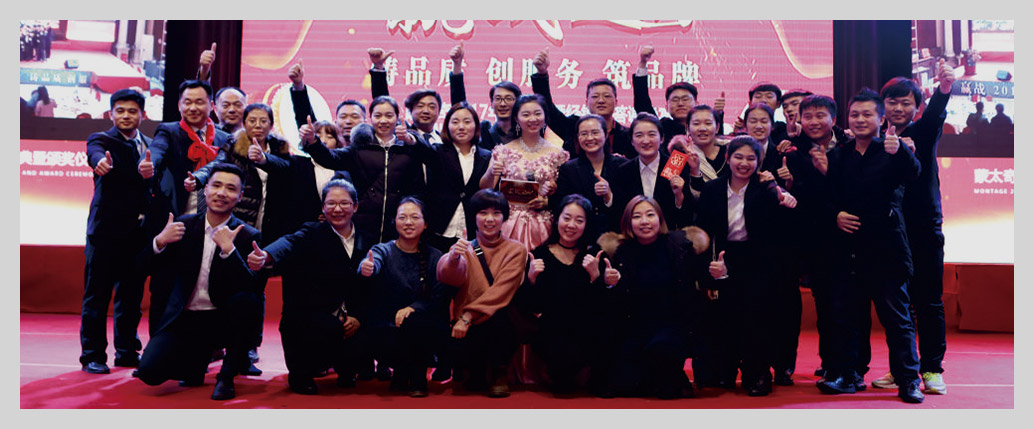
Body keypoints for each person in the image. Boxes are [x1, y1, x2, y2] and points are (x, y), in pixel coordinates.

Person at [816, 89, 925, 404]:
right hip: (847, 249)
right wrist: (835, 215)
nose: (860, 120)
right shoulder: (838, 156)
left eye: (867, 114)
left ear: (881, 118)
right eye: (855, 114)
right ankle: (848, 375)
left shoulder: (892, 149)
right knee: (846, 317)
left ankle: (908, 379)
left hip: (885, 248)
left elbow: (914, 173)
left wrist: (901, 151)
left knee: (897, 319)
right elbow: (825, 198)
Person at [136, 163, 265, 401]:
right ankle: (196, 360)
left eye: (230, 189)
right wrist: (160, 241)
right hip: (185, 318)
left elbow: (254, 288)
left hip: (223, 320)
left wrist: (229, 251)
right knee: (149, 372)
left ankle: (226, 376)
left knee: (247, 301)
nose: (221, 193)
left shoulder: (247, 234)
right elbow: (140, 269)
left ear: (240, 196)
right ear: (205, 190)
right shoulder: (183, 225)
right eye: (216, 186)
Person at [869, 60, 955, 395]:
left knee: (928, 301)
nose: (899, 108)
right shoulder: (874, 139)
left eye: (906, 102)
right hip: (890, 231)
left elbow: (934, 116)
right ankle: (902, 368)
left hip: (923, 228)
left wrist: (944, 90)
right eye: (892, 101)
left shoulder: (923, 131)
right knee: (897, 305)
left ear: (916, 107)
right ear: (882, 105)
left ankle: (932, 369)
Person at [247, 179, 374, 394]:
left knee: (371, 327)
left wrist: (358, 317)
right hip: (314, 315)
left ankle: (346, 368)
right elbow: (289, 242)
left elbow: (368, 289)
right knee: (321, 328)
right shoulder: (311, 232)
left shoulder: (367, 238)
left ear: (355, 206)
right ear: (323, 207)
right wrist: (266, 255)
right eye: (331, 203)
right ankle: (302, 373)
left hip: (350, 313)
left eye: (344, 203)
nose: (337, 209)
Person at [695, 136, 799, 397]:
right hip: (724, 256)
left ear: (758, 162)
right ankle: (727, 371)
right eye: (738, 157)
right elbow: (703, 230)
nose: (744, 163)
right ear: (727, 158)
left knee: (757, 318)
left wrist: (786, 199)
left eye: (751, 158)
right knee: (726, 316)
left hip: (759, 260)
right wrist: (708, 267)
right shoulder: (713, 189)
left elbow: (780, 229)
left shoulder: (766, 189)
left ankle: (758, 373)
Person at [594, 196, 709, 399]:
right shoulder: (621, 251)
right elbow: (615, 303)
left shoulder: (679, 246)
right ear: (628, 222)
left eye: (650, 215)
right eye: (637, 216)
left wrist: (719, 274)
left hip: (672, 325)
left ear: (660, 218)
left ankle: (669, 376)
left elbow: (701, 281)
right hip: (635, 326)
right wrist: (610, 283)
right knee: (619, 385)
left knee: (663, 363)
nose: (644, 221)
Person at [142, 79, 233, 334]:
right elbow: (157, 151)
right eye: (187, 102)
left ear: (211, 106)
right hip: (176, 223)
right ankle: (159, 344)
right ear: (179, 105)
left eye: (199, 102)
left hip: (212, 225)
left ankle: (209, 346)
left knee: (210, 286)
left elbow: (221, 164)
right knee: (164, 285)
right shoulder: (169, 131)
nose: (193, 107)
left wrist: (201, 178)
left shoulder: (224, 138)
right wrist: (147, 165)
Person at [80, 89, 152, 374]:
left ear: (142, 115)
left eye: (132, 111)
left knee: (131, 297)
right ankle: (93, 355)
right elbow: (95, 155)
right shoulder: (101, 140)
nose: (125, 116)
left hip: (138, 233)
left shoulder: (149, 145)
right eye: (120, 111)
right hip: (105, 233)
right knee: (97, 296)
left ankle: (126, 351)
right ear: (111, 114)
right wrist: (99, 162)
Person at [437, 189, 529, 398]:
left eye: (496, 213)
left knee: (500, 317)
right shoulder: (464, 247)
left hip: (494, 321)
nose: (490, 219)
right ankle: (474, 369)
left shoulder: (516, 250)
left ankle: (499, 373)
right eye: (483, 213)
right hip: (466, 326)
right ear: (474, 216)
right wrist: (453, 258)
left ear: (504, 217)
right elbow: (446, 277)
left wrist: (468, 316)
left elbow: (500, 292)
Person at [519, 194, 615, 395]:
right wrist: (532, 278)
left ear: (586, 224)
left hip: (586, 329)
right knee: (563, 384)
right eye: (567, 218)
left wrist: (596, 277)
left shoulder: (594, 255)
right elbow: (529, 306)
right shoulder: (539, 255)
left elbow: (603, 306)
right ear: (557, 219)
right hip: (553, 330)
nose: (571, 225)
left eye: (579, 220)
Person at [360, 197, 454, 397]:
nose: (408, 222)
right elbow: (371, 263)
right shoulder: (383, 250)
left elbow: (438, 298)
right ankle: (401, 371)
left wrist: (413, 308)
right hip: (387, 327)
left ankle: (418, 378)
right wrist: (367, 268)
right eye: (402, 217)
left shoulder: (435, 256)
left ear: (425, 223)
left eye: (415, 217)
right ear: (394, 221)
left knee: (416, 321)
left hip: (424, 329)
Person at [303, 95, 428, 243]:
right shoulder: (359, 147)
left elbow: (419, 186)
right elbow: (329, 158)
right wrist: (312, 141)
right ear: (370, 119)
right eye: (378, 115)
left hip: (398, 227)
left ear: (397, 118)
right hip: (361, 227)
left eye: (389, 116)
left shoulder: (409, 148)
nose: (383, 121)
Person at [480, 94, 569, 250]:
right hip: (509, 224)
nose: (532, 119)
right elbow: (485, 188)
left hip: (544, 224)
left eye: (537, 113)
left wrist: (549, 197)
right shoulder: (503, 151)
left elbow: (565, 193)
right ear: (516, 118)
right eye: (526, 114)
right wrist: (492, 172)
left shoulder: (558, 154)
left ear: (545, 116)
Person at [530, 47, 636, 158]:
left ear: (616, 102)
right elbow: (548, 109)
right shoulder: (573, 127)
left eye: (607, 96)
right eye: (595, 96)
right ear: (586, 102)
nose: (601, 100)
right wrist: (541, 74)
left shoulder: (627, 135)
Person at [421, 102, 492, 252]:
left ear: (476, 126)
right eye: (455, 122)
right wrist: (409, 138)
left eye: (467, 122)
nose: (461, 127)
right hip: (439, 228)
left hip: (473, 229)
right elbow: (419, 148)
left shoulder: (487, 156)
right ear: (447, 126)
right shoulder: (437, 151)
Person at [611, 112, 694, 232]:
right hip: (634, 236)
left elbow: (687, 216)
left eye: (651, 134)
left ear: (662, 138)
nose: (646, 141)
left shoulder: (675, 165)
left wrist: (679, 197)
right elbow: (618, 213)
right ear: (632, 141)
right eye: (639, 135)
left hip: (668, 236)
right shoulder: (623, 171)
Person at [552, 114, 629, 242]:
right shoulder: (568, 169)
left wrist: (609, 196)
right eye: (584, 134)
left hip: (616, 237)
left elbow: (629, 205)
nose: (589, 138)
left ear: (606, 134)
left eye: (595, 133)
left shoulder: (623, 166)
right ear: (578, 137)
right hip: (580, 239)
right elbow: (560, 204)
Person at [633, 45, 726, 147]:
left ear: (697, 104)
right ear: (666, 107)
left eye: (685, 99)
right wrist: (643, 63)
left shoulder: (706, 129)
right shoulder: (663, 127)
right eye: (675, 100)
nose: (680, 103)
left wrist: (718, 114)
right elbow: (642, 104)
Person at [445, 42, 521, 149]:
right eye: (498, 99)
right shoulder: (484, 133)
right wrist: (457, 65)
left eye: (508, 99)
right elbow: (460, 107)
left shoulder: (527, 133)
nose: (503, 104)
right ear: (491, 104)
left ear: (518, 103)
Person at [368, 47, 444, 144]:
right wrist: (378, 67)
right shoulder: (402, 134)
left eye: (432, 107)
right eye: (420, 106)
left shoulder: (445, 140)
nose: (426, 111)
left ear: (439, 111)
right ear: (410, 110)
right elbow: (382, 101)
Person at [287, 59, 367, 146]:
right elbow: (307, 121)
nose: (348, 121)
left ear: (365, 123)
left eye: (354, 116)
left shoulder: (373, 148)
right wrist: (298, 85)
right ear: (335, 123)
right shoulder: (326, 147)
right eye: (343, 116)